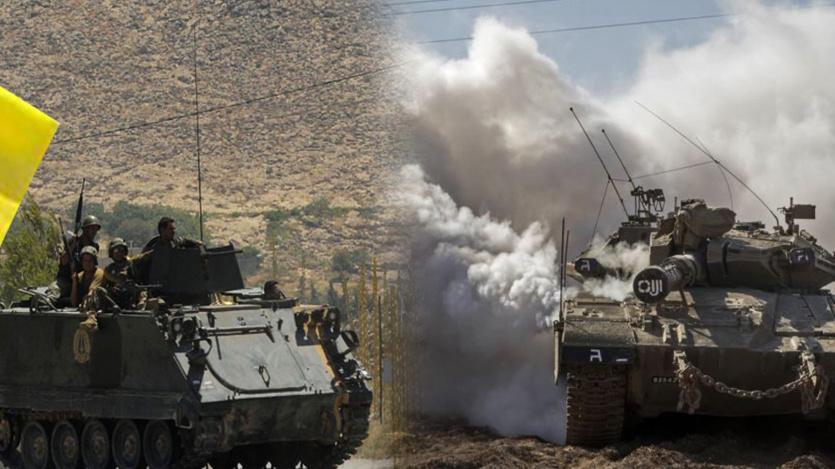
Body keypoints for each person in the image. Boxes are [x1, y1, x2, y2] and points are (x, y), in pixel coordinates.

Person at [56, 215, 101, 298]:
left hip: (82, 281)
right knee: (53, 292)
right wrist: (73, 245)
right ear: (85, 229)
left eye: (95, 229)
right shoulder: (71, 242)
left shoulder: (94, 246)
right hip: (66, 279)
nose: (94, 231)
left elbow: (93, 267)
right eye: (91, 228)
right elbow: (63, 261)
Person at [103, 238, 148, 308]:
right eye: (116, 250)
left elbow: (138, 280)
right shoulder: (108, 269)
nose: (119, 253)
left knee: (142, 291)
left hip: (131, 295)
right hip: (115, 299)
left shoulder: (131, 264)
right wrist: (113, 287)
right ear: (111, 252)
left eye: (121, 250)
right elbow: (105, 285)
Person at [71, 246, 104, 330]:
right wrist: (74, 283)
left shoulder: (99, 273)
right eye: (85, 260)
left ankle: (92, 320)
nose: (87, 263)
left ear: (94, 261)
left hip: (99, 305)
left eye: (90, 261)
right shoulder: (80, 276)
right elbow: (73, 302)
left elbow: (91, 292)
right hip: (84, 307)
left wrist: (85, 304)